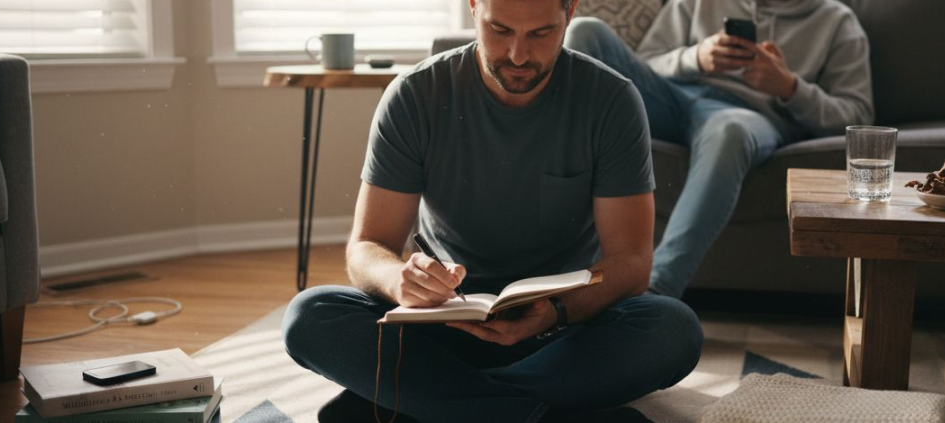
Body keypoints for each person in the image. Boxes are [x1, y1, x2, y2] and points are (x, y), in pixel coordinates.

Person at [280, 0, 704, 421]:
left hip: (561, 332)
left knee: (673, 329)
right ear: (472, 9)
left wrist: (558, 311)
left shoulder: (611, 100)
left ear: (570, 14)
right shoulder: (415, 94)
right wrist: (399, 280)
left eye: (540, 33)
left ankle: (420, 403)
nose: (518, 55)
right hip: (442, 323)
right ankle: (539, 414)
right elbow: (368, 246)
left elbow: (632, 261)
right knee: (310, 315)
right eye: (499, 30)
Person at [565, 0, 874, 298]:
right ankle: (556, 265)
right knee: (585, 31)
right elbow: (647, 59)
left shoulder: (837, 21)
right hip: (673, 98)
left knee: (730, 132)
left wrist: (790, 87)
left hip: (748, 115)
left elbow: (857, 115)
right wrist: (695, 58)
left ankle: (655, 292)